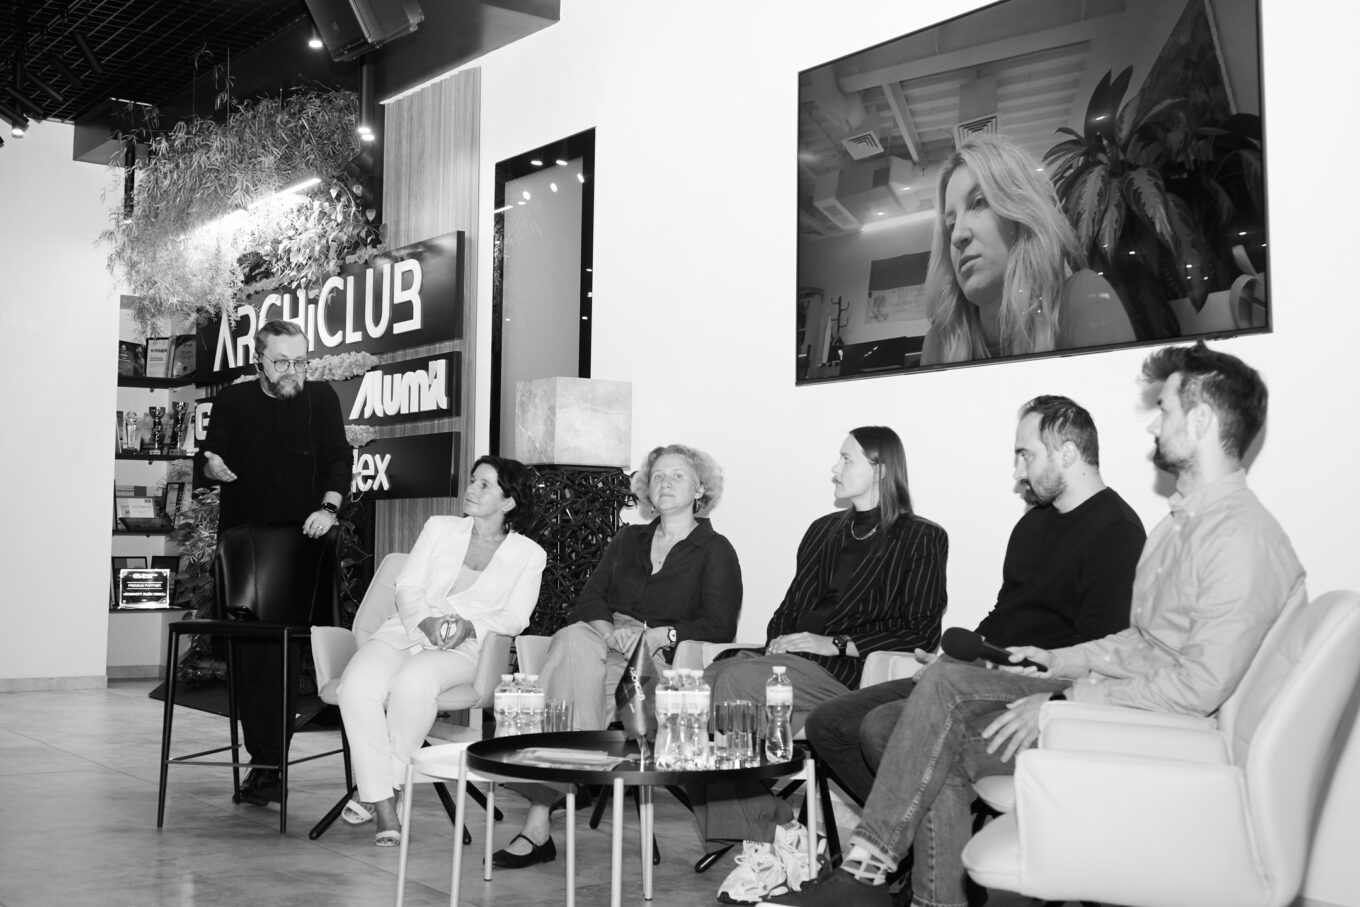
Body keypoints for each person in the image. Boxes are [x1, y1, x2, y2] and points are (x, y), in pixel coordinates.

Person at [762, 342, 1307, 907]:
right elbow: (1139, 644)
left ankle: (866, 871)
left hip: (1151, 734)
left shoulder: (1239, 538)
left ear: (1201, 421)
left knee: (934, 706)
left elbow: (1198, 687)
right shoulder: (1181, 527)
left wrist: (1064, 696)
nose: (1152, 425)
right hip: (1104, 703)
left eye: (1164, 410)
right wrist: (1057, 660)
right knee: (925, 740)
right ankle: (919, 892)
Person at [803, 397, 1145, 808]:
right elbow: (1005, 613)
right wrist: (958, 656)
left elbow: (1098, 649)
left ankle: (905, 834)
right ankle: (914, 830)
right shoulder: (1033, 523)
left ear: (1068, 453)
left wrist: (998, 668)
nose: (1018, 472)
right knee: (829, 723)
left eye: (1026, 456)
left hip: (1039, 682)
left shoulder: (1117, 532)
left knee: (881, 727)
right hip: (987, 672)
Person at [699, 426, 947, 898]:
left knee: (735, 682)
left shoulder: (921, 537)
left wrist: (834, 642)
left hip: (847, 673)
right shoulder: (823, 531)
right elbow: (790, 607)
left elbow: (920, 631)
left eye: (846, 459)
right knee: (694, 691)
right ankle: (780, 832)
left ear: (880, 469)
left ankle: (765, 845)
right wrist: (778, 642)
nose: (835, 468)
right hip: (787, 666)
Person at [494, 443, 743, 869]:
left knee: (581, 687)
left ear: (700, 488)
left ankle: (539, 817)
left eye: (677, 476)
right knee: (572, 638)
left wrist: (660, 635)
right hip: (605, 640)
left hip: (660, 660)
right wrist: (610, 633)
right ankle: (565, 781)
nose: (664, 483)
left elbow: (719, 625)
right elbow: (591, 598)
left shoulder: (715, 549)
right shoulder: (629, 538)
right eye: (657, 476)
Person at [335, 456, 546, 846]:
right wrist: (424, 622)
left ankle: (381, 799)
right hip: (407, 630)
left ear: (509, 502)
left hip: (465, 649)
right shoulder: (440, 528)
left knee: (413, 683)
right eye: (472, 480)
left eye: (484, 485)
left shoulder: (529, 555)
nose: (471, 488)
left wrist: (470, 626)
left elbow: (517, 617)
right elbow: (408, 584)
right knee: (356, 686)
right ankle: (386, 791)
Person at [199, 319, 352, 805]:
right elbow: (210, 457)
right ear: (258, 362)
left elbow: (338, 459)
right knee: (249, 659)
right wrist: (213, 465)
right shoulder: (234, 400)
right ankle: (263, 760)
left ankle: (269, 766)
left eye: (300, 362)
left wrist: (328, 509)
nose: (292, 371)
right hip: (244, 547)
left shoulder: (321, 399)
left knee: (285, 657)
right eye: (281, 361)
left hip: (302, 542)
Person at [920, 134, 1134, 366]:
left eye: (978, 202)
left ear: (1019, 215)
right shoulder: (939, 343)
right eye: (950, 225)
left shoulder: (1081, 301)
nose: (957, 235)